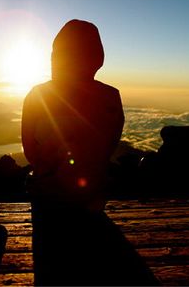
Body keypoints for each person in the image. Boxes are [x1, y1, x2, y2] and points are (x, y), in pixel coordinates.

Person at [22, 20, 156, 285]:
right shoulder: (110, 97)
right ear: (97, 57)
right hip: (92, 201)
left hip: (48, 206)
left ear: (56, 56)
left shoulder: (37, 95)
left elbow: (30, 152)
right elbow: (109, 145)